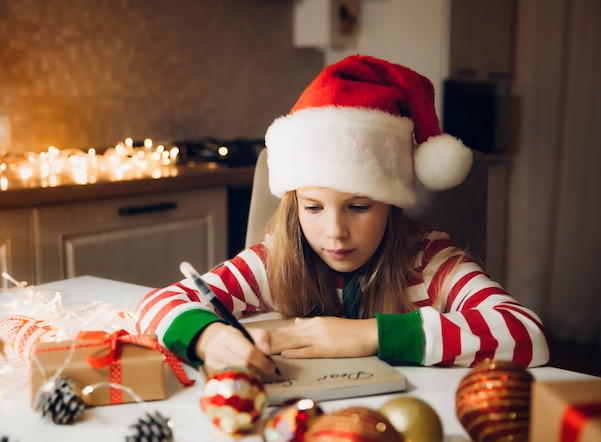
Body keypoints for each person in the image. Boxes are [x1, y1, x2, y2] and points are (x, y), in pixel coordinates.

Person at [133, 55, 550, 375]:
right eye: (313, 208)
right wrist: (207, 336)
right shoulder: (275, 260)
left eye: (359, 207)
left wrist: (371, 335)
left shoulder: (430, 262)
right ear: (294, 205)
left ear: (391, 202)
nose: (334, 232)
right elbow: (157, 304)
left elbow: (526, 333)